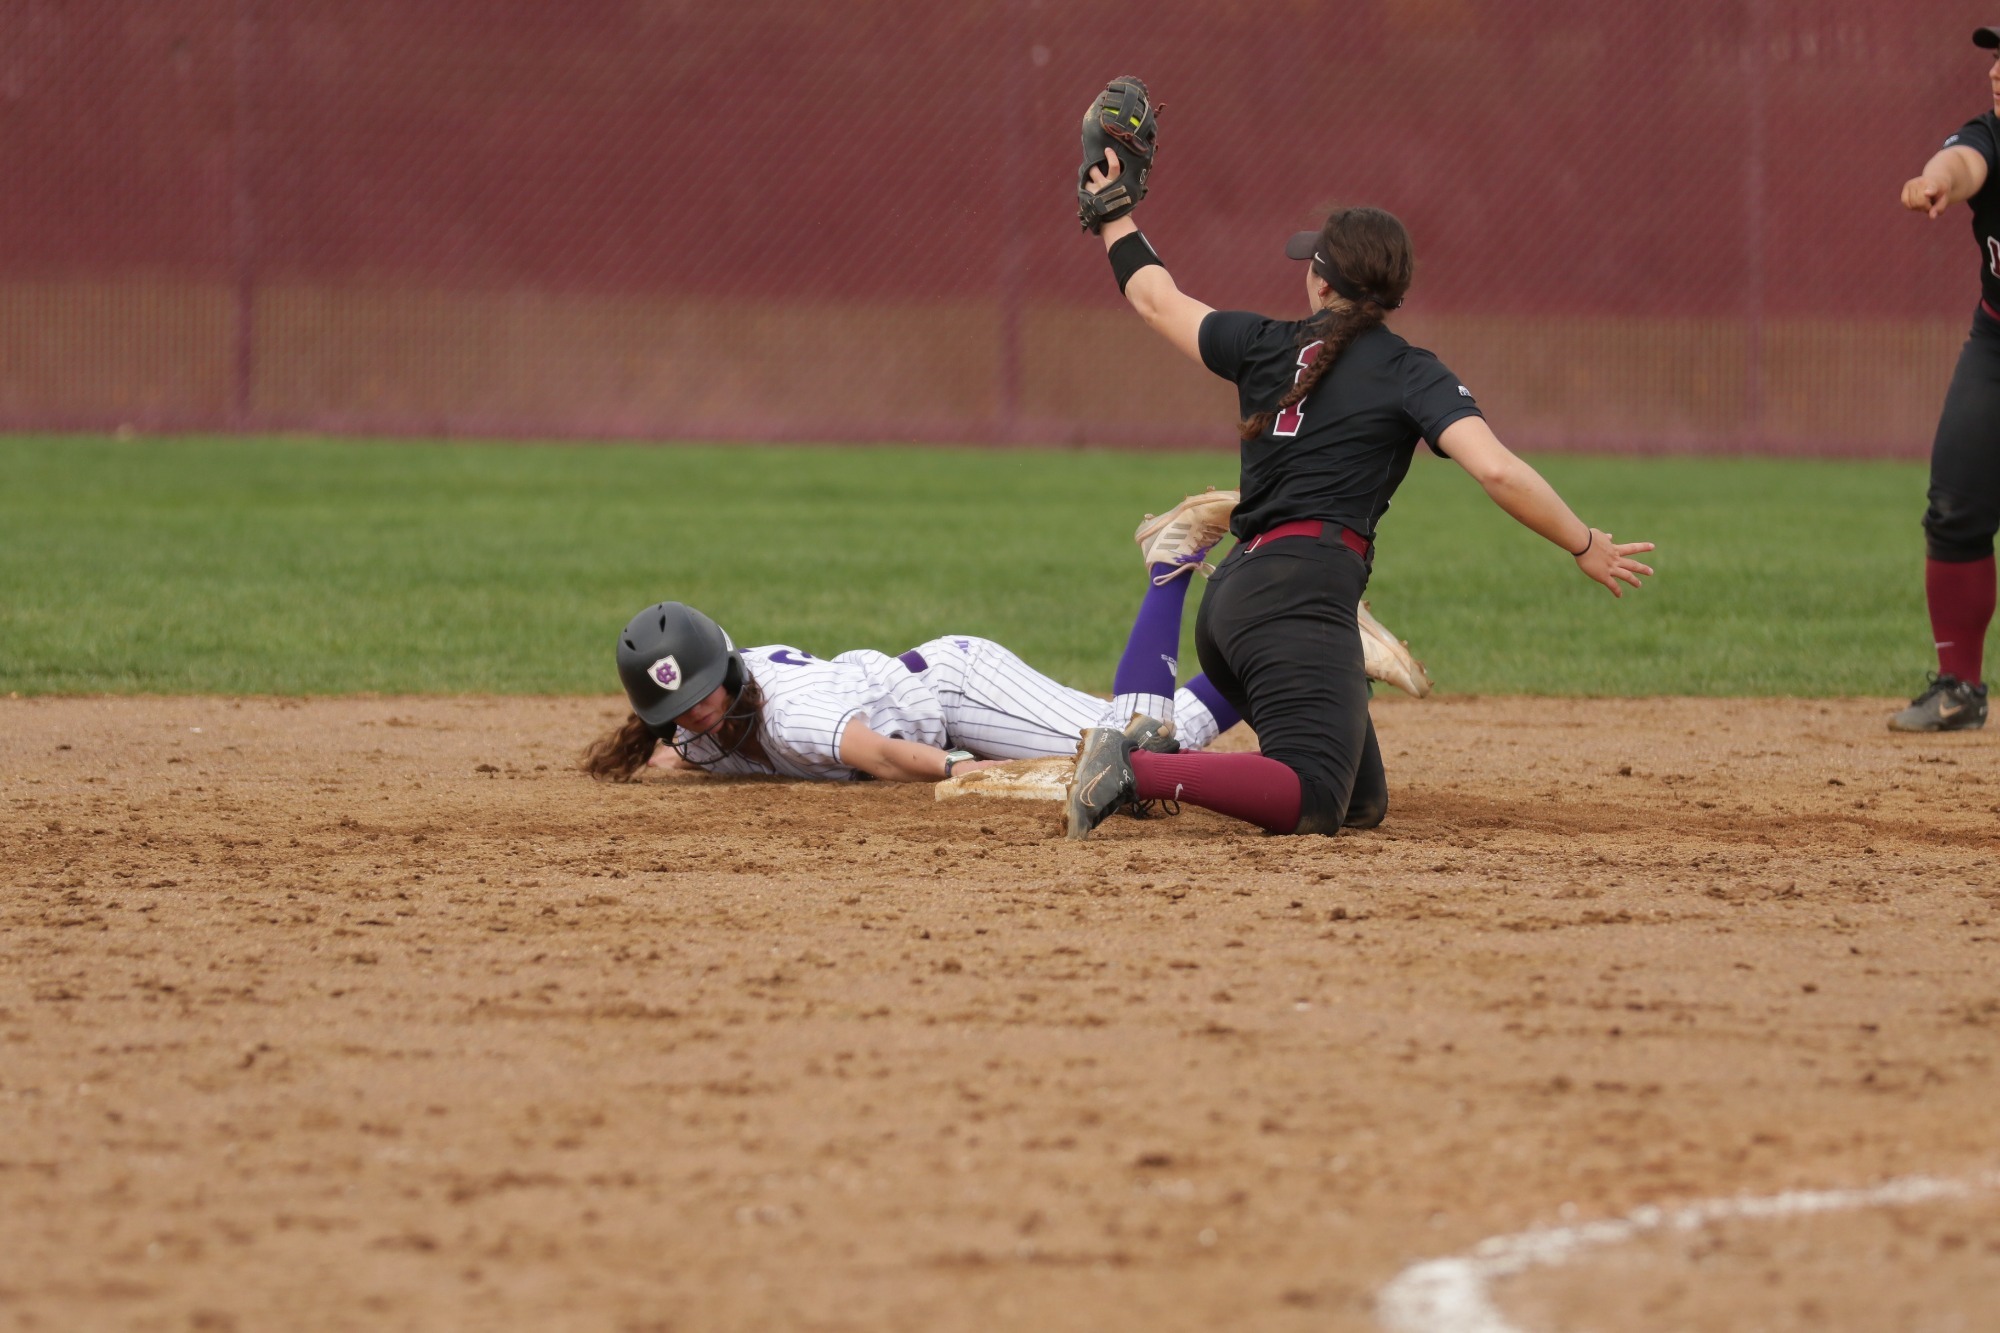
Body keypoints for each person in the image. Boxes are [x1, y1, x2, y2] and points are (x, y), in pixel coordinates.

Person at [1061, 108, 1655, 840]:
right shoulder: (1410, 371)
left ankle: (1170, 755)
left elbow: (1155, 298)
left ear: (1321, 282)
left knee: (1360, 802)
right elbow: (1497, 470)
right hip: (1296, 603)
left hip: (1242, 599)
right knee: (1312, 798)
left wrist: (1113, 212)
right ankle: (1135, 769)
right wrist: (1582, 541)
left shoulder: (1267, 343)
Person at [582, 495, 1444, 784]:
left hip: (958, 693)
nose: (697, 717)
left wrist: (991, 778)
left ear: (732, 670)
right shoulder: (703, 721)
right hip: (940, 691)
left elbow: (882, 755)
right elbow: (679, 747)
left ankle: (1199, 571)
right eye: (678, 711)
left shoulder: (790, 716)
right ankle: (1302, 629)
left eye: (705, 696)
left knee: (1136, 753)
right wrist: (664, 748)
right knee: (1138, 735)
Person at [1890, 25, 2000, 732]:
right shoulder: (1992, 136)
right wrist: (1937, 180)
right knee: (1955, 500)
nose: (1998, 71)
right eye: (1999, 55)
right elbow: (1963, 162)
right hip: (1998, 341)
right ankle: (1958, 685)